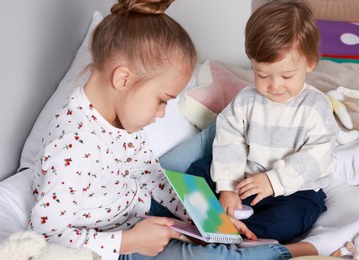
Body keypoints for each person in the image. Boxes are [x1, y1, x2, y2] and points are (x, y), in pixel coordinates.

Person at [28, 0, 297, 259]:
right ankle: (294, 251)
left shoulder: (120, 119)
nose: (161, 113)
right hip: (116, 241)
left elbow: (151, 175)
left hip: (140, 212)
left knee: (230, 215)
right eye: (162, 100)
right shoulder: (73, 148)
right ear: (123, 78)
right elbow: (46, 233)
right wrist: (127, 242)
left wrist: (208, 220)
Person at [209, 0, 340, 243]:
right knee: (200, 169)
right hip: (247, 182)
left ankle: (236, 234)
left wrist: (274, 180)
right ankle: (206, 217)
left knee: (290, 219)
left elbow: (318, 154)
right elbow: (229, 139)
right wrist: (227, 187)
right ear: (252, 62)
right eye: (263, 75)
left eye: (287, 75)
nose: (275, 85)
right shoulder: (246, 100)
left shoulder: (314, 105)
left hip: (296, 189)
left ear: (309, 63)